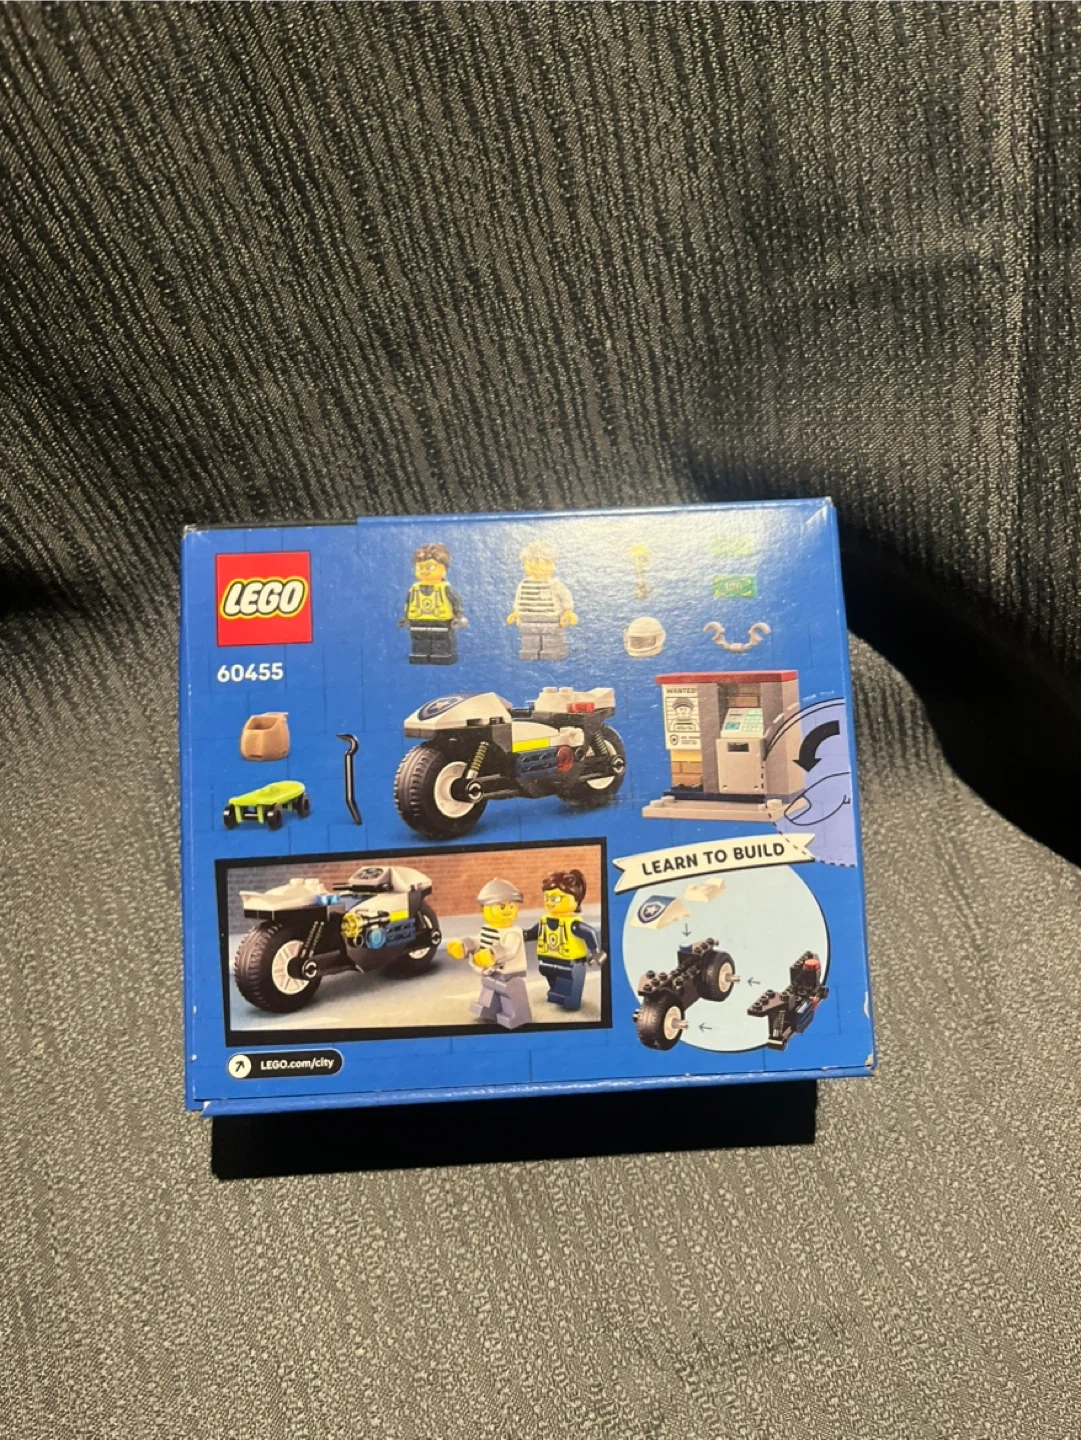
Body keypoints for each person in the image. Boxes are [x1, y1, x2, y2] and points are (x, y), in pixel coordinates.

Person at [446, 878, 532, 1030]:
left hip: (510, 972)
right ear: (485, 908)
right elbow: (478, 941)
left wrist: (492, 955)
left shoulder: (513, 932)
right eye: (502, 906)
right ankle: (489, 1007)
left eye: (512, 906)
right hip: (491, 969)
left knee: (509, 990)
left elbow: (510, 950)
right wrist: (464, 946)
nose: (507, 910)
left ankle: (517, 1014)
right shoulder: (487, 929)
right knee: (490, 986)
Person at [523, 869, 604, 1012]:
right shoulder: (544, 921)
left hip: (571, 963)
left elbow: (589, 933)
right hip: (547, 961)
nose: (549, 902)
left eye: (555, 899)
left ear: (575, 899)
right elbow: (533, 933)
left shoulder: (573, 924)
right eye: (547, 898)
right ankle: (557, 995)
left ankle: (570, 1000)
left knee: (570, 985)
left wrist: (596, 952)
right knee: (553, 981)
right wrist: (524, 935)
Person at [506, 540, 576, 661]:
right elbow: (519, 599)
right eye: (530, 562)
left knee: (551, 638)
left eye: (541, 562)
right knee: (530, 638)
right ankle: (530, 652)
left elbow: (566, 597)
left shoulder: (555, 584)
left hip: (552, 619)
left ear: (551, 564)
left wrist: (567, 612)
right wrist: (516, 613)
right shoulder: (524, 584)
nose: (535, 566)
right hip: (528, 619)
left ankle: (552, 652)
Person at [399, 542, 467, 664]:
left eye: (429, 567)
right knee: (419, 640)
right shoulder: (414, 588)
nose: (424, 571)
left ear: (443, 568)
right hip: (418, 621)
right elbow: (408, 603)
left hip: (441, 621)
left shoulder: (445, 588)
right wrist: (406, 618)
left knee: (442, 640)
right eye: (420, 567)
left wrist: (459, 616)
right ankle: (419, 655)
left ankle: (443, 656)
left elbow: (456, 601)